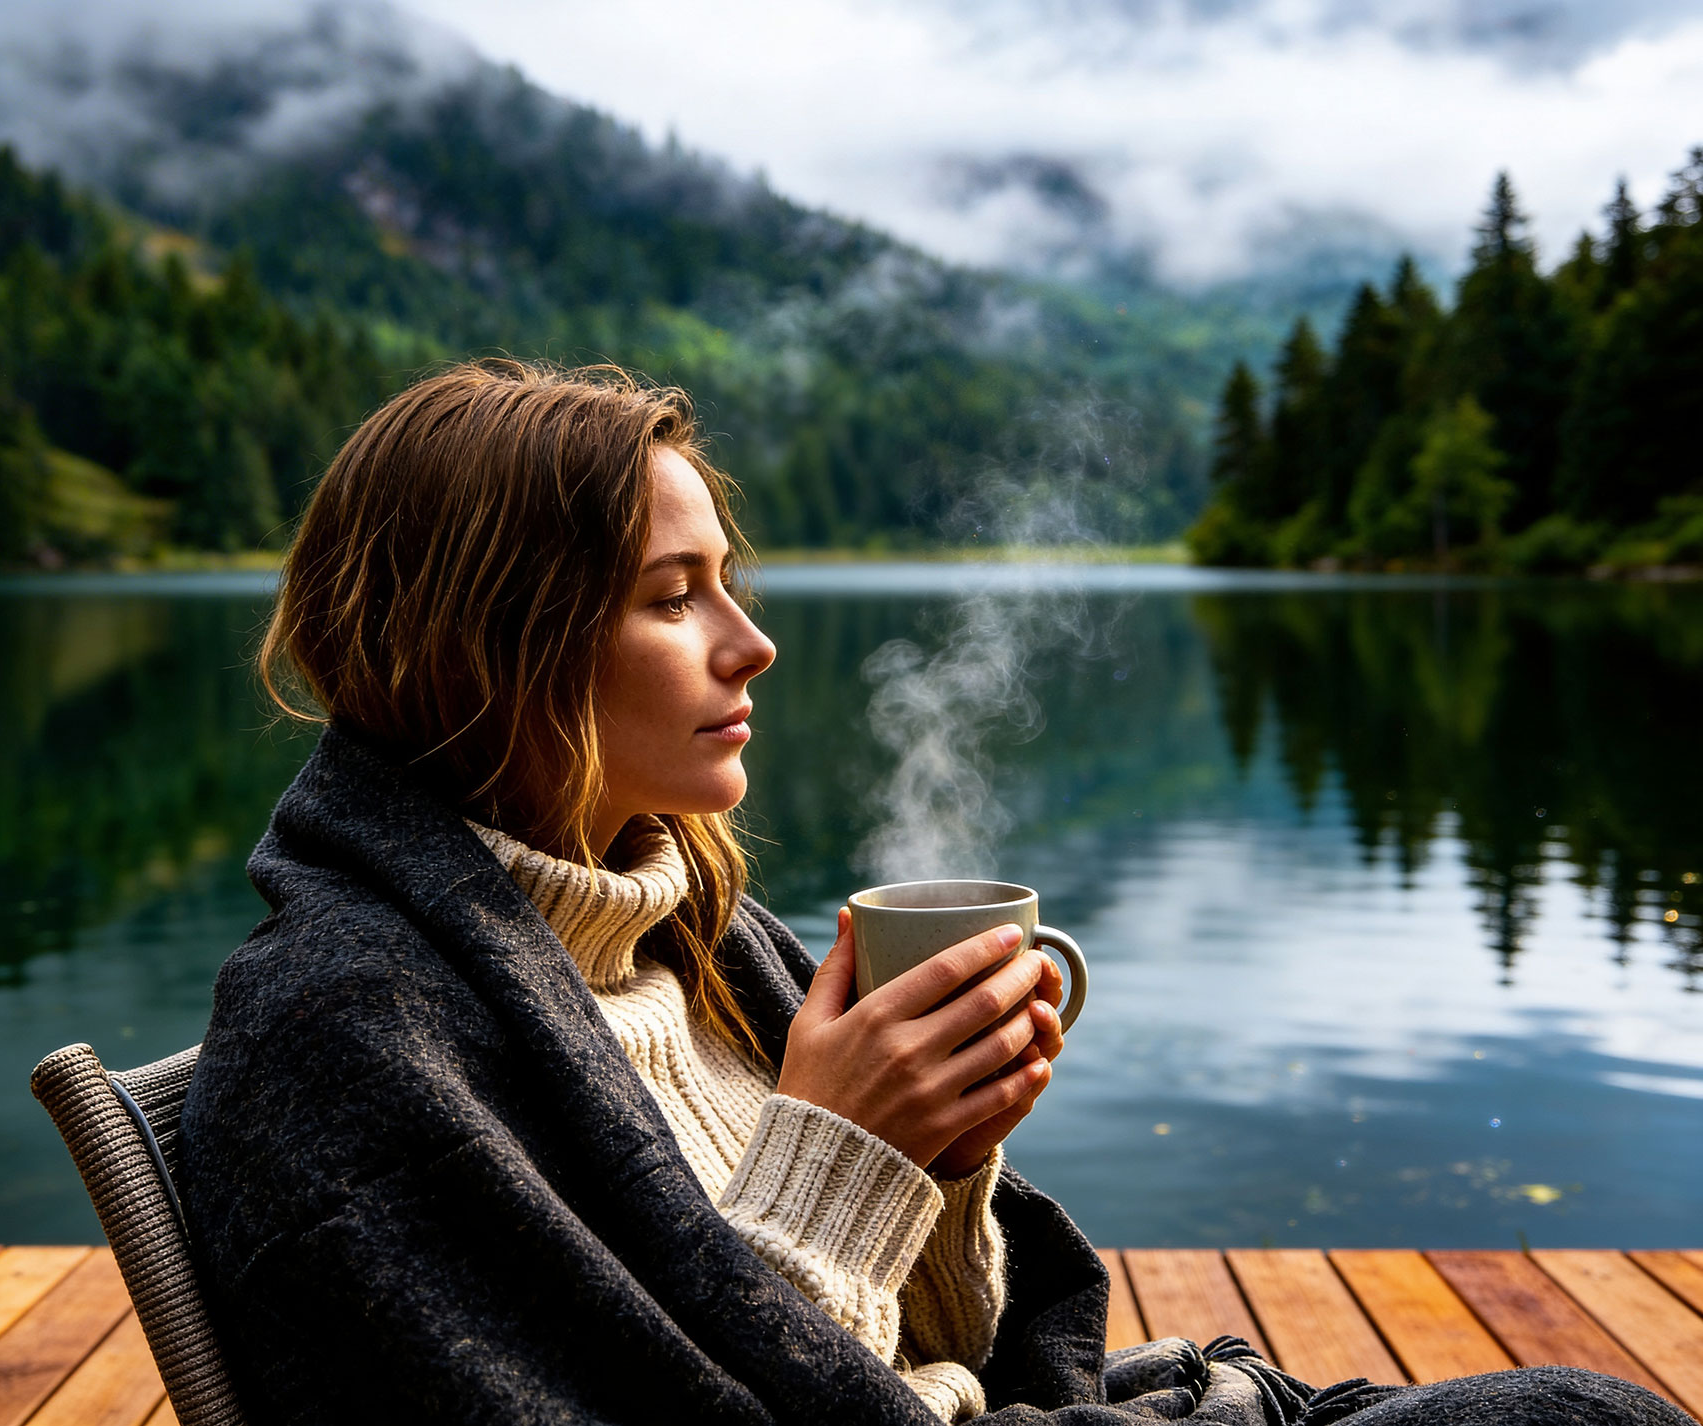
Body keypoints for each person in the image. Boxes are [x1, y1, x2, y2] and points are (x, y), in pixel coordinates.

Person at [175, 360, 1693, 1426]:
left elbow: (930, 1348)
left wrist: (944, 1161)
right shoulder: (347, 1041)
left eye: (730, 579)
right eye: (670, 595)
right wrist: (840, 1155)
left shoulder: (691, 934)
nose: (750, 642)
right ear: (482, 643)